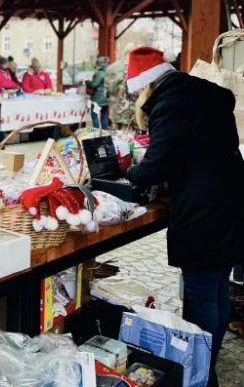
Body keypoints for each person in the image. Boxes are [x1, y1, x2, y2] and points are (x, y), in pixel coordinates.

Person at [125, 47, 244, 387]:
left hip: (205, 211)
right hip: (230, 200)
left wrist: (127, 174)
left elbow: (157, 164)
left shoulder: (171, 103)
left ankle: (200, 374)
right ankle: (207, 367)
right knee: (218, 289)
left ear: (146, 86)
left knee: (201, 296)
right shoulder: (199, 91)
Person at [105, 43, 138, 129]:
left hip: (116, 113)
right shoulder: (139, 67)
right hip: (133, 114)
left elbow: (106, 92)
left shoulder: (112, 68)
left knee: (118, 139)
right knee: (132, 141)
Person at [86, 56, 110, 129]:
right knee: (104, 116)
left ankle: (97, 132)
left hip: (98, 100)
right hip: (105, 99)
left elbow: (94, 84)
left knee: (95, 116)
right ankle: (105, 132)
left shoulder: (101, 73)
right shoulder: (108, 72)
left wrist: (87, 82)